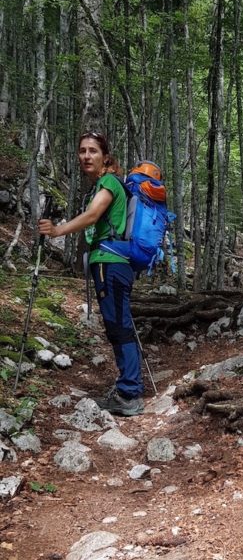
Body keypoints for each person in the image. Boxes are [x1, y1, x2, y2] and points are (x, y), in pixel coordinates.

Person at [39, 131, 144, 416]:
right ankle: (129, 388)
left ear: (105, 157)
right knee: (118, 325)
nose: (86, 156)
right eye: (82, 150)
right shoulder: (107, 182)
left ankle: (130, 393)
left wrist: (58, 230)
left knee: (119, 327)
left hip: (110, 263)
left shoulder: (109, 183)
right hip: (111, 262)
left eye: (93, 151)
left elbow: (92, 216)